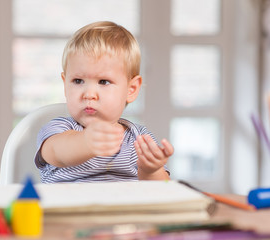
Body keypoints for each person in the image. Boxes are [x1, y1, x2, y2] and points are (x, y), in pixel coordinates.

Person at [35, 21, 174, 183]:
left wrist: (151, 169)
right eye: (78, 81)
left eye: (103, 82)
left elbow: (162, 190)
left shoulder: (138, 138)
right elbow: (57, 152)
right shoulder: (58, 130)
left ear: (131, 89)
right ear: (65, 85)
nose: (89, 94)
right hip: (69, 208)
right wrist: (86, 142)